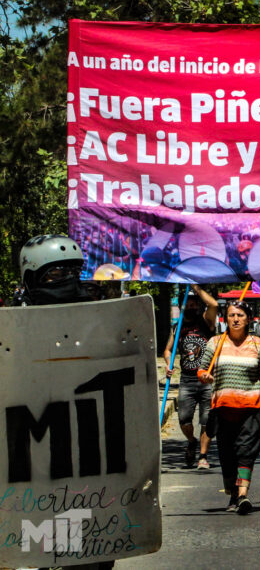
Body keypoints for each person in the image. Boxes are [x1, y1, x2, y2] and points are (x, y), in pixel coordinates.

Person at [19, 235, 110, 570]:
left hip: (92, 452)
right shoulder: (15, 327)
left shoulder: (99, 319)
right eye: (55, 274)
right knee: (49, 547)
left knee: (93, 555)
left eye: (73, 272)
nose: (67, 282)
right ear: (32, 278)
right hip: (39, 454)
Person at [197, 299, 260, 515]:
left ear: (248, 319)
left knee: (246, 454)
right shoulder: (215, 342)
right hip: (223, 410)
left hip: (252, 408)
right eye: (231, 315)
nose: (235, 319)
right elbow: (201, 370)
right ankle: (232, 490)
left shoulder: (257, 344)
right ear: (225, 318)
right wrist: (205, 376)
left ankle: (242, 495)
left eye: (240, 315)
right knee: (228, 456)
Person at [163, 284, 218, 468]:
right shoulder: (177, 327)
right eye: (189, 303)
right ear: (182, 305)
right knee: (184, 419)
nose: (193, 307)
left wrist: (195, 287)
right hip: (186, 380)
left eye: (196, 304)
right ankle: (192, 441)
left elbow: (214, 305)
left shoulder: (205, 322)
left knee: (206, 420)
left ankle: (203, 456)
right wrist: (168, 364)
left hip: (207, 379)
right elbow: (168, 350)